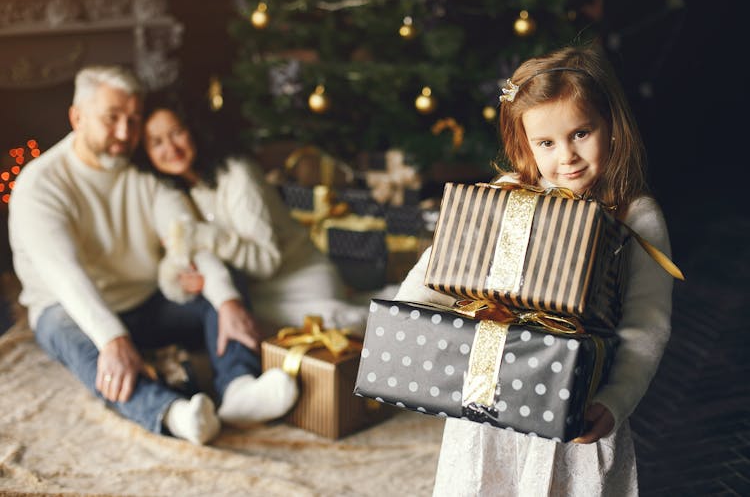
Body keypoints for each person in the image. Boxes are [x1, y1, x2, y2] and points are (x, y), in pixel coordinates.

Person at [396, 42, 675, 495]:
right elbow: (437, 270)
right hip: (489, 402)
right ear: (524, 142)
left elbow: (647, 325)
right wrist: (406, 324)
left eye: (581, 133)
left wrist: (615, 400)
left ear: (613, 125)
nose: (566, 156)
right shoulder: (507, 195)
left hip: (574, 411)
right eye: (546, 142)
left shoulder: (634, 215)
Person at [8, 65, 298, 446]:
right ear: (77, 117)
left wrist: (226, 299)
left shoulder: (143, 173)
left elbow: (189, 238)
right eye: (112, 119)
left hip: (146, 300)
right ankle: (171, 414)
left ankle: (239, 388)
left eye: (133, 119)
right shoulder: (40, 184)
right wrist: (112, 338)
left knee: (220, 279)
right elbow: (66, 278)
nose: (125, 134)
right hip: (71, 308)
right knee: (73, 337)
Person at [133, 94, 370, 337]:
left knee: (231, 315)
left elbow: (266, 262)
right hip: (254, 290)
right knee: (217, 310)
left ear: (193, 130)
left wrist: (203, 237)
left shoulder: (238, 174)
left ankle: (359, 319)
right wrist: (190, 279)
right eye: (156, 142)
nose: (171, 148)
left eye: (176, 132)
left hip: (301, 281)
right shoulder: (177, 191)